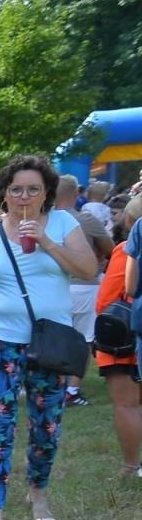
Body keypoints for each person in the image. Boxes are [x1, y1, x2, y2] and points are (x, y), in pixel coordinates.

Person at [0, 154, 96, 520]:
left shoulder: (63, 223)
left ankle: (38, 495)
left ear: (46, 192)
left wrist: (47, 242)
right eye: (16, 189)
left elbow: (87, 270)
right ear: (5, 194)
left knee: (46, 427)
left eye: (33, 189)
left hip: (50, 342)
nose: (24, 196)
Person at [55, 174, 114, 409]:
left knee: (54, 337)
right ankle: (72, 389)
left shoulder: (45, 220)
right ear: (75, 194)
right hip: (84, 285)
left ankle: (53, 384)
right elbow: (111, 249)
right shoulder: (85, 219)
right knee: (83, 340)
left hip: (54, 287)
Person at [95, 196, 142, 476]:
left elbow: (108, 298)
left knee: (127, 403)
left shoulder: (126, 251)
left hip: (124, 337)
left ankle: (130, 465)